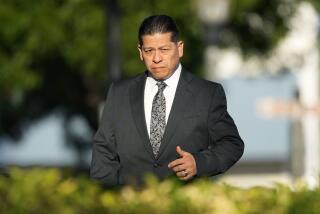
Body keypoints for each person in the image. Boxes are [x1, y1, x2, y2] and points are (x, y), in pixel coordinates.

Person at [90, 14, 244, 187]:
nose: (156, 58)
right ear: (140, 52)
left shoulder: (206, 94)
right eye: (149, 51)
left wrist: (199, 163)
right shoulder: (119, 93)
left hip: (183, 204)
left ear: (179, 48)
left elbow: (231, 144)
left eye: (164, 50)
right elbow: (103, 151)